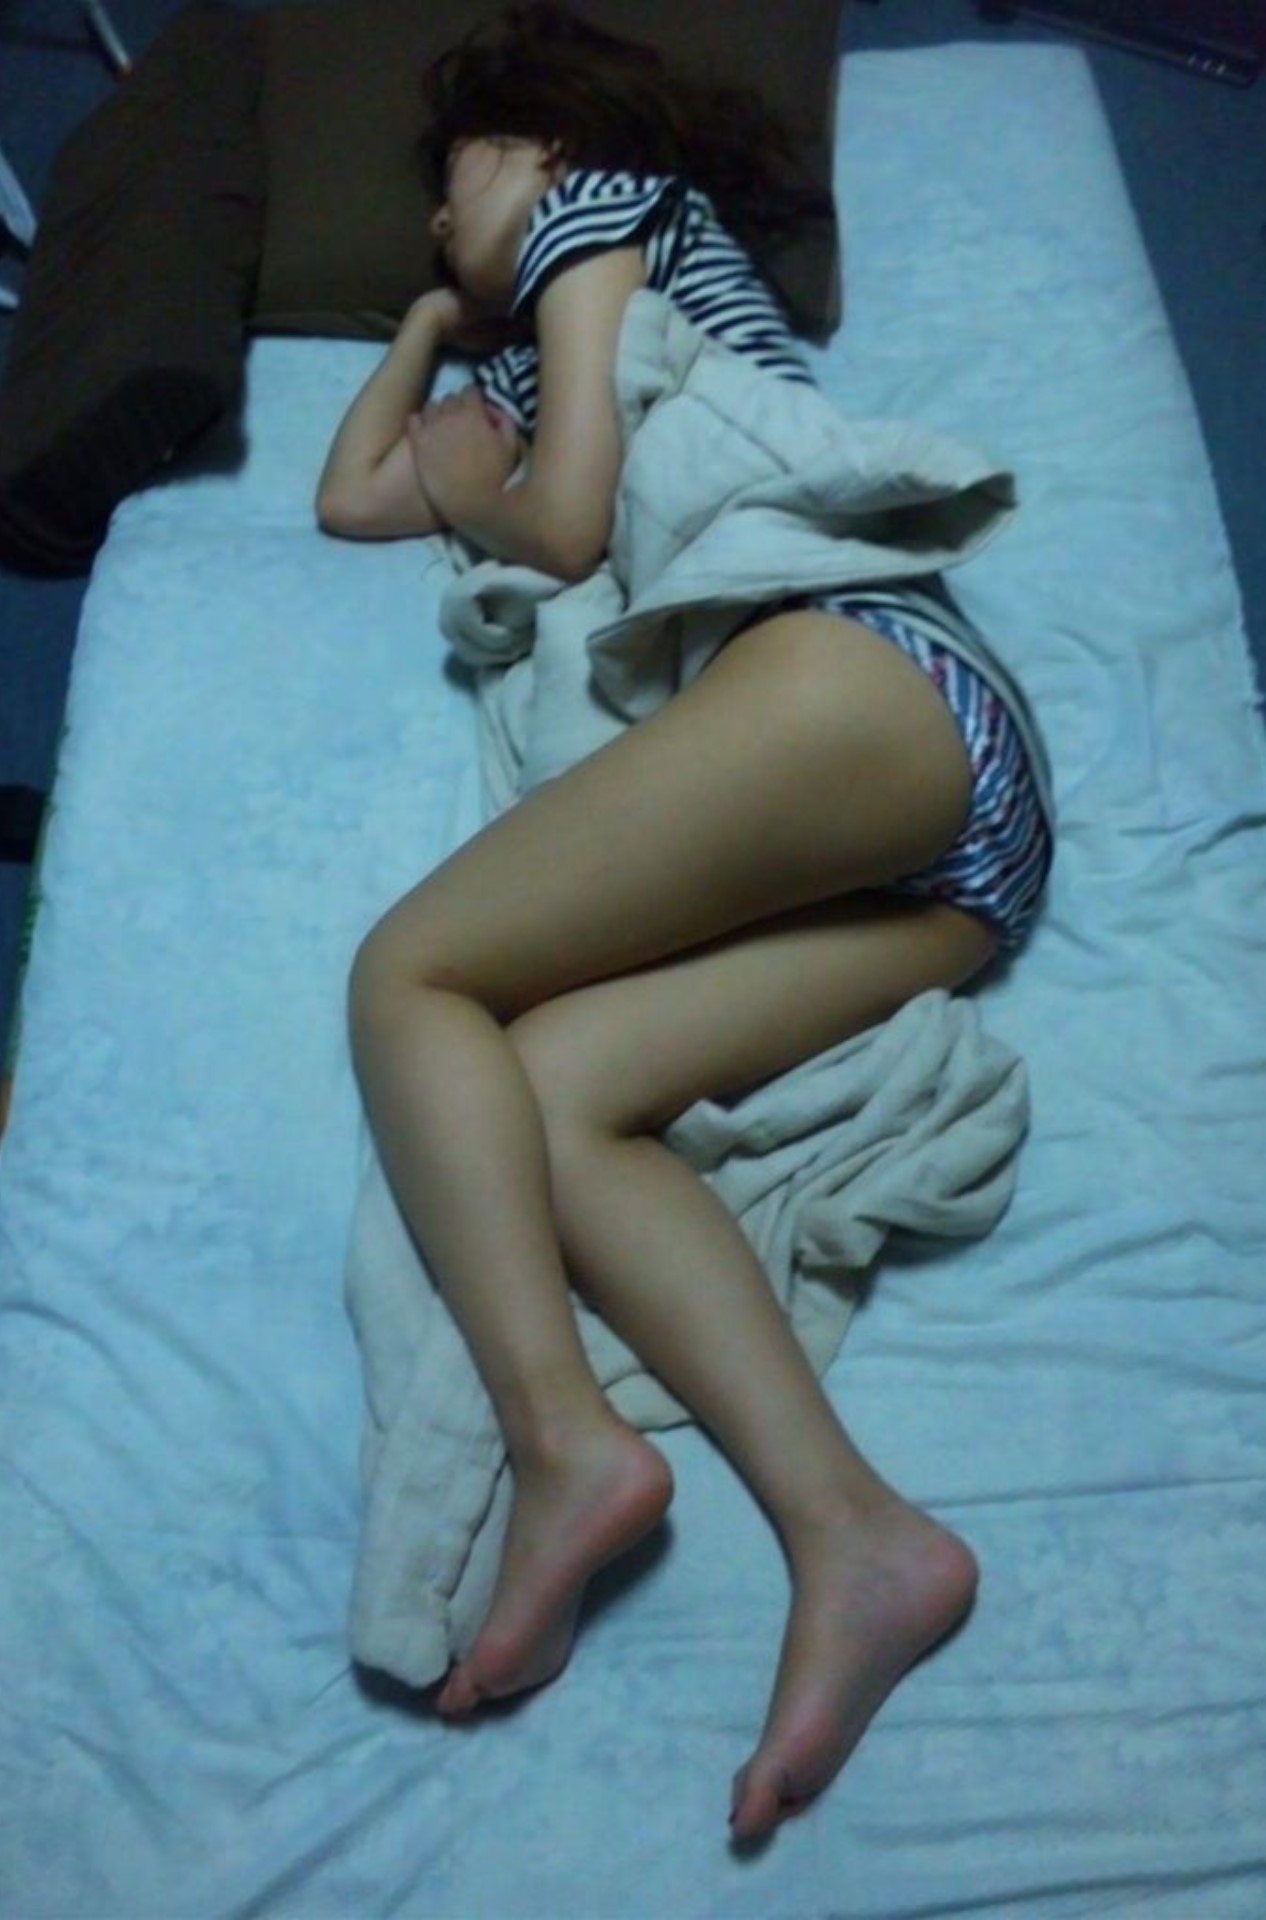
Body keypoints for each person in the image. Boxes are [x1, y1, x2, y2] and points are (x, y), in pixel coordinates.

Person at [316, 4, 1052, 1845]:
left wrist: (484, 482)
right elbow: (350, 500)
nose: (440, 223)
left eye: (455, 180)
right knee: (556, 1095)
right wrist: (425, 337)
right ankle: (860, 1537)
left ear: (548, 147)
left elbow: (563, 528)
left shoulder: (607, 215)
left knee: (409, 978)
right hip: (963, 852)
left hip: (868, 683)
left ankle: (563, 1440)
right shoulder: (525, 344)